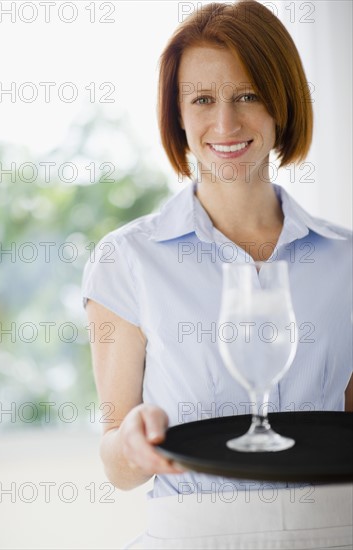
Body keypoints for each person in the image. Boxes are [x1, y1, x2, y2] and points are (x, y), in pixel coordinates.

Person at [82, 1, 353, 548]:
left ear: (281, 104)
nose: (225, 124)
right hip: (192, 537)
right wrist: (133, 446)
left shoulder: (346, 260)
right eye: (202, 99)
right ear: (177, 115)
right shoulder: (127, 260)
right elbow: (116, 457)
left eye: (247, 95)